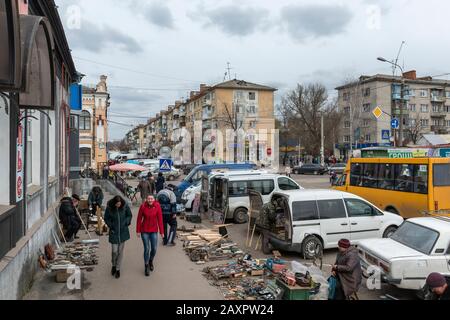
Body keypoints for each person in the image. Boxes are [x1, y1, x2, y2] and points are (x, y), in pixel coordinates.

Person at [104, 196, 132, 279]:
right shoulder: (109, 208)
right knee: (114, 251)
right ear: (114, 203)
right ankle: (113, 264)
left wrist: (126, 222)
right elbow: (106, 218)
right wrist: (111, 225)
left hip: (123, 232)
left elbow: (129, 215)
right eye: (117, 204)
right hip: (114, 232)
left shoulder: (125, 206)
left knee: (120, 252)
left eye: (119, 204)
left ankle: (117, 269)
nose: (118, 205)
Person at [136, 195, 164, 277]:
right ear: (146, 199)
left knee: (154, 248)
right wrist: (137, 230)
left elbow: (160, 219)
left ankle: (151, 260)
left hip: (154, 230)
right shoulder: (143, 206)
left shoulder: (157, 206)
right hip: (144, 230)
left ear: (154, 199)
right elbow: (139, 219)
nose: (150, 200)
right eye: (148, 199)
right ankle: (146, 265)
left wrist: (162, 232)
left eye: (151, 199)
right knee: (147, 249)